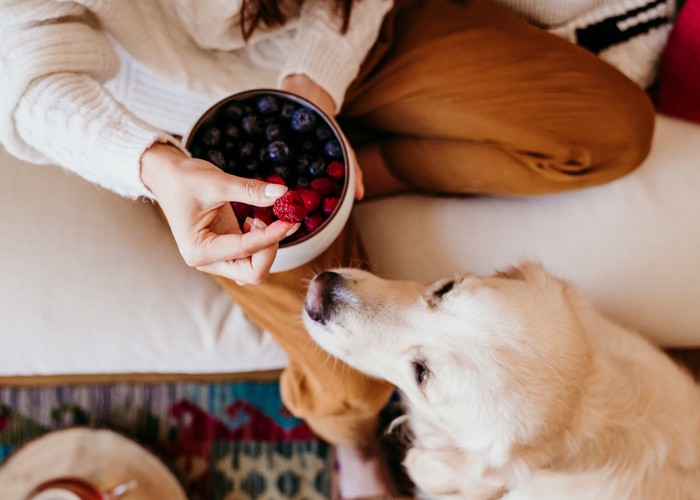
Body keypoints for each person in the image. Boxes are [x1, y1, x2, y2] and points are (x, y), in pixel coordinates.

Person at [1, 0, 654, 453]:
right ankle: (353, 449)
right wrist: (153, 165)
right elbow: (24, 60)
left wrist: (316, 86)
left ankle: (371, 168)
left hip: (355, 38)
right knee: (356, 387)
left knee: (613, 131)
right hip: (189, 135)